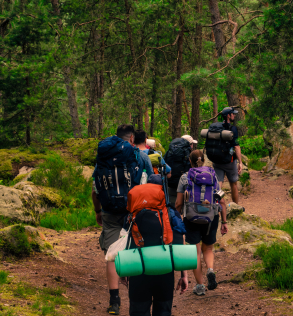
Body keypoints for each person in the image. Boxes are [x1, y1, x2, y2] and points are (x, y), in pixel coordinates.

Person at [92, 124, 152, 315]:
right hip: (133, 209)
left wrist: (98, 211)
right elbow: (149, 182)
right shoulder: (140, 155)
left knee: (111, 253)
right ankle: (135, 294)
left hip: (109, 210)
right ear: (132, 138)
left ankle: (114, 300)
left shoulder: (104, 157)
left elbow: (96, 188)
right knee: (135, 248)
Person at [126, 174, 189, 316]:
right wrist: (183, 275)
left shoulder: (132, 214)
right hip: (164, 270)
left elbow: (126, 241)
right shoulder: (171, 214)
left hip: (138, 270)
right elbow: (179, 244)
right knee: (163, 311)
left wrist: (125, 271)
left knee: (138, 311)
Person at [175, 150, 229, 296]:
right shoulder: (213, 176)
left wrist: (178, 217)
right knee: (208, 249)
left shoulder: (185, 177)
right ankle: (210, 269)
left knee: (195, 252)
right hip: (211, 216)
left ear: (189, 161)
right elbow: (221, 200)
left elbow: (179, 203)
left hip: (191, 217)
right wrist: (224, 221)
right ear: (204, 160)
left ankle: (200, 286)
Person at [212, 107, 243, 204]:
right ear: (228, 116)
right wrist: (240, 162)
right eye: (233, 114)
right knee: (233, 184)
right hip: (229, 161)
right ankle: (236, 207)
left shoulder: (216, 127)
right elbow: (236, 146)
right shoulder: (232, 128)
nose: (234, 115)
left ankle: (216, 206)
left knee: (218, 185)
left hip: (217, 161)